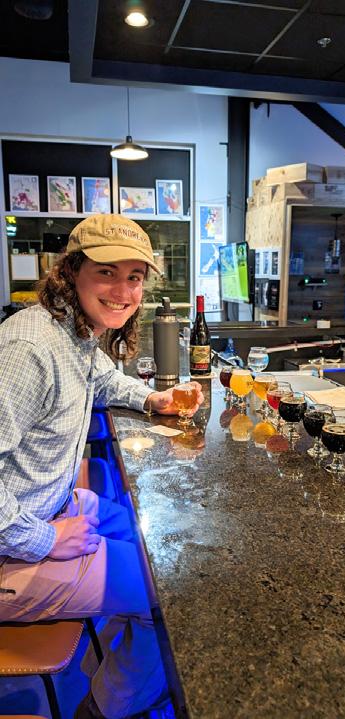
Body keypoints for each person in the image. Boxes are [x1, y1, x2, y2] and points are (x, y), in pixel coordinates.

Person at [0, 214, 203, 719]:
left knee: (154, 541)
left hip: (50, 506)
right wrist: (45, 540)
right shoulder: (29, 348)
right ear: (71, 271)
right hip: (13, 547)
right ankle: (105, 708)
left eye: (134, 276)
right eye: (106, 272)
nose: (123, 290)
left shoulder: (71, 331)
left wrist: (154, 398)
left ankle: (114, 659)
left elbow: (105, 380)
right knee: (172, 597)